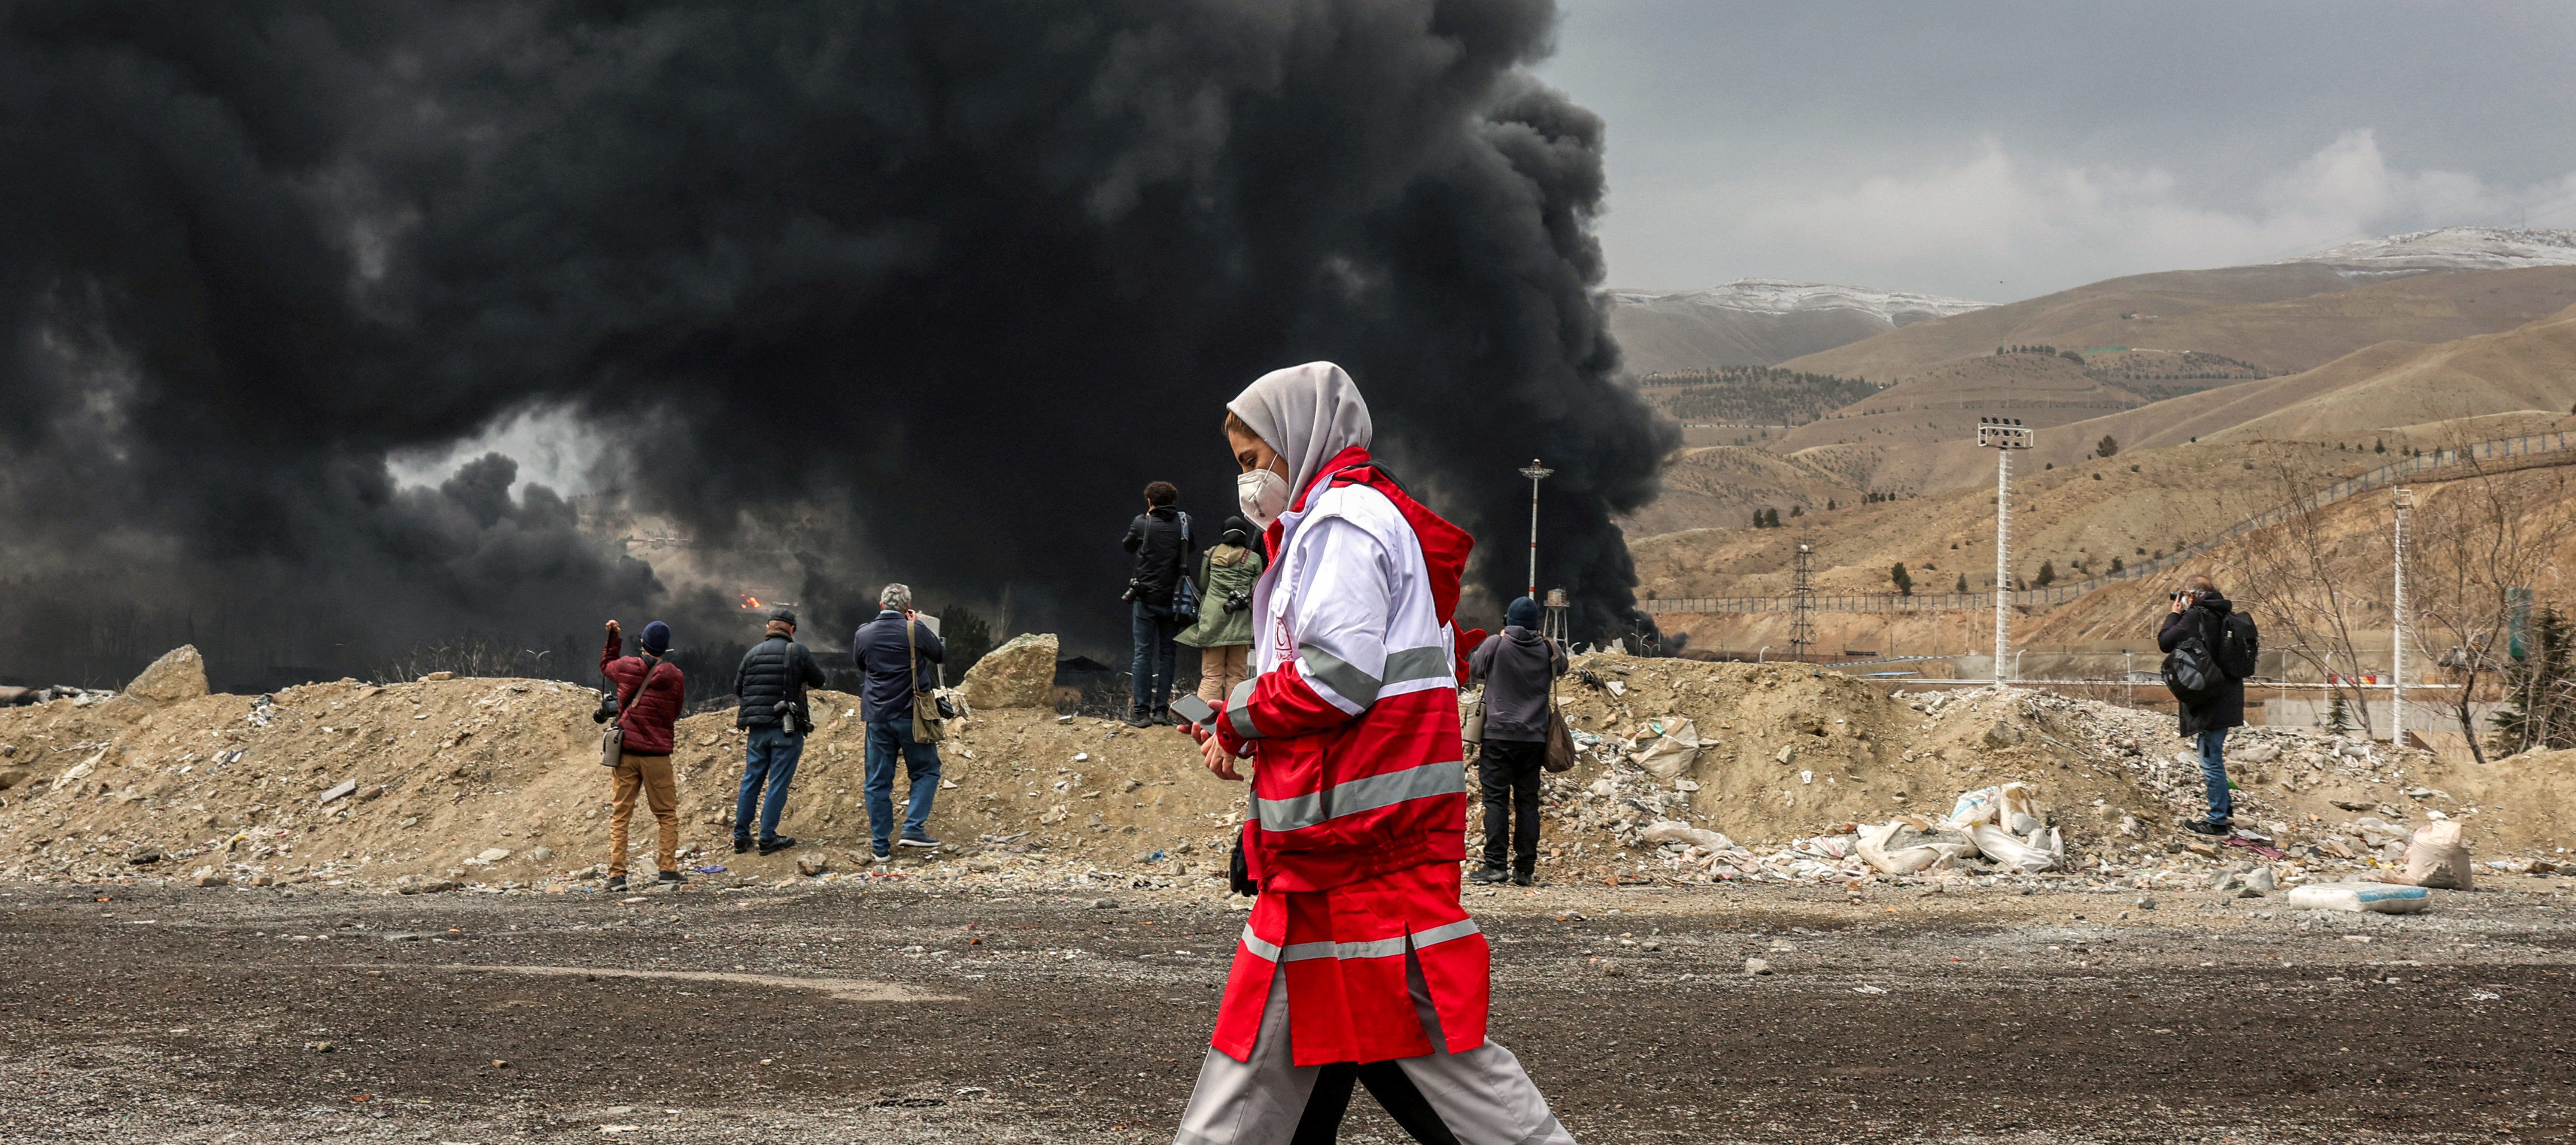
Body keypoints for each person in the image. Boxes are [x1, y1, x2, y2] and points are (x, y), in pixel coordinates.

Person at [1176, 361, 1575, 1145]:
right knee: (1318, 1067)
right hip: (1337, 858)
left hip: (1361, 862)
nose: (1249, 484)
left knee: (1302, 1072)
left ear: (1302, 440)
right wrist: (1246, 721)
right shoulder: (1330, 526)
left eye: (1256, 462)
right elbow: (1339, 691)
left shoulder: (1341, 526)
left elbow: (1339, 677)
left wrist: (1239, 718)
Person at [1466, 596, 1566, 887]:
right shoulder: (1549, 647)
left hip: (1498, 736)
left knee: (1496, 801)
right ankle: (1525, 869)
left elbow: (1475, 669)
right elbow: (1563, 668)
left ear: (1507, 621)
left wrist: (1500, 640)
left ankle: (1495, 865)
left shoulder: (1495, 645)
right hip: (1535, 739)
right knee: (1527, 803)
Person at [852, 583, 946, 860]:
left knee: (878, 782)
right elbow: (940, 655)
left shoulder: (864, 633)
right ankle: (913, 829)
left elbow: (861, 665)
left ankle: (881, 847)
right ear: (907, 608)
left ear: (881, 606)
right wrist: (918, 625)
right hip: (912, 715)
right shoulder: (914, 630)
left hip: (878, 717)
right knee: (927, 771)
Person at [599, 619, 687, 893]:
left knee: (621, 815)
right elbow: (675, 713)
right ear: (666, 648)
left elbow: (606, 666)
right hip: (658, 756)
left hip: (626, 753)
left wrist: (614, 638)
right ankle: (668, 871)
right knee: (666, 815)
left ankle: (617, 877)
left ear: (642, 644)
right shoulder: (676, 677)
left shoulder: (627, 667)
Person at [731, 607, 826, 856]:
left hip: (757, 731)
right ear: (792, 629)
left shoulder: (751, 655)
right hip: (786, 729)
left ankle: (741, 838)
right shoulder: (798, 652)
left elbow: (739, 688)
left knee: (751, 781)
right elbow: (820, 680)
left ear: (768, 627)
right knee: (778, 784)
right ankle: (767, 838)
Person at [2159, 574, 2247, 836]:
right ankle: (2225, 810)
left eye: (2185, 596)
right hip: (2229, 696)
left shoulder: (2197, 615)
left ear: (2193, 596)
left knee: (2210, 760)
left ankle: (2217, 821)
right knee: (2214, 755)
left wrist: (2175, 614)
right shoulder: (2224, 615)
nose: (2182, 600)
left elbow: (2165, 642)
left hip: (2211, 699)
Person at [1122, 480, 1197, 727]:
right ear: (1173, 502)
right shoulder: (1184, 524)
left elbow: (1128, 546)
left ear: (1150, 502)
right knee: (1168, 655)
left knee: (1143, 653)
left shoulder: (1142, 523)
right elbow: (1192, 547)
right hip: (1174, 600)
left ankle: (1141, 714)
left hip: (1145, 598)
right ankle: (1161, 712)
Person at [1174, 514, 1266, 710]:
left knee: (1212, 675)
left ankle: (1202, 722)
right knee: (1237, 675)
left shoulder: (1211, 554)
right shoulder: (1255, 559)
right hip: (1240, 623)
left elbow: (1203, 585)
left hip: (1213, 621)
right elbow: (1257, 590)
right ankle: (1232, 722)